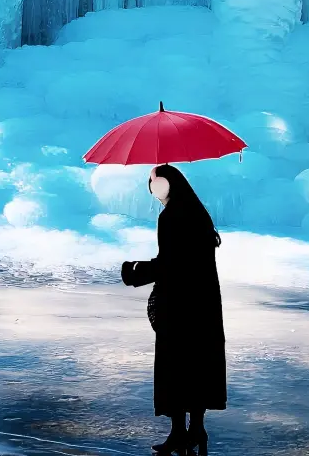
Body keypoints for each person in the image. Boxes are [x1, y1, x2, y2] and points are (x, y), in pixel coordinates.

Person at [121, 164, 226, 456]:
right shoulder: (197, 211)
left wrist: (134, 271)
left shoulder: (171, 215)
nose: (151, 187)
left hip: (179, 301)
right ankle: (197, 429)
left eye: (154, 181)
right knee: (198, 363)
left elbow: (171, 263)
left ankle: (180, 432)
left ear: (167, 183)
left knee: (176, 364)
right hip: (203, 302)